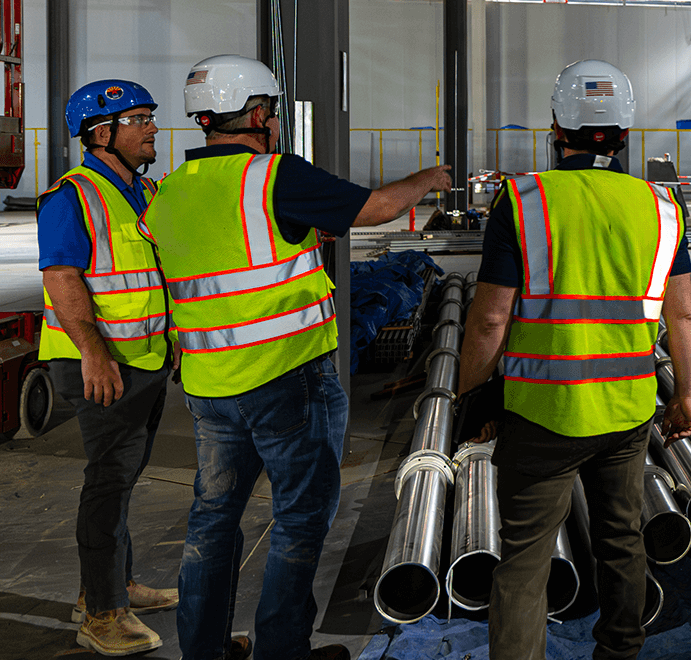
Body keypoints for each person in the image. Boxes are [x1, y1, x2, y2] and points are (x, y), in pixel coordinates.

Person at [137, 55, 451, 660]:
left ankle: (202, 651)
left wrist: (306, 232)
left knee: (212, 521)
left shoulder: (169, 192)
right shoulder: (272, 175)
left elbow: (226, 253)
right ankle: (282, 649)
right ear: (259, 114)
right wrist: (427, 179)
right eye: (272, 113)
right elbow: (377, 207)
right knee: (300, 519)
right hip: (287, 379)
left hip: (209, 385)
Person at [456, 59, 691, 660]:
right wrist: (686, 394)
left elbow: (490, 319)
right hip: (626, 410)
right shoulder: (662, 206)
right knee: (621, 540)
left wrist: (472, 395)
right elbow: (684, 316)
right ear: (624, 133)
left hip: (543, 414)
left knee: (526, 562)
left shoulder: (524, 199)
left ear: (557, 128)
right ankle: (620, 650)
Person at [37, 79, 178, 657]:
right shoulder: (71, 196)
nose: (150, 127)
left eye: (148, 116)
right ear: (102, 133)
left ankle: (112, 584)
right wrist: (95, 353)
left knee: (122, 480)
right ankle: (101, 614)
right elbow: (63, 278)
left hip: (141, 360)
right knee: (108, 483)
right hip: (100, 365)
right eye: (137, 118)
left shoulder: (138, 191)